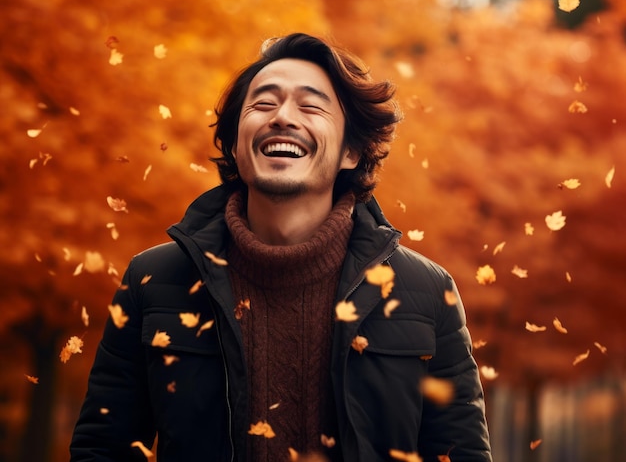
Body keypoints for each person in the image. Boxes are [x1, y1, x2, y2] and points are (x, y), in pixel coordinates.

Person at [70, 33, 492, 462]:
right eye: (264, 103)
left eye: (310, 106)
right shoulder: (154, 280)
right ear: (235, 144)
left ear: (351, 151)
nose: (283, 117)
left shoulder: (424, 291)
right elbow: (102, 450)